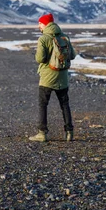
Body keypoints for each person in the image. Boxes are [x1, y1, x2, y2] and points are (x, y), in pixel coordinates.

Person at [29, 13, 76, 142]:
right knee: (65, 104)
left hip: (47, 77)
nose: (38, 26)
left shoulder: (43, 39)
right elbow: (72, 55)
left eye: (39, 23)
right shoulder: (64, 37)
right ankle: (69, 133)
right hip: (63, 77)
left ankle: (42, 133)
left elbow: (40, 58)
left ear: (45, 24)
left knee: (43, 105)